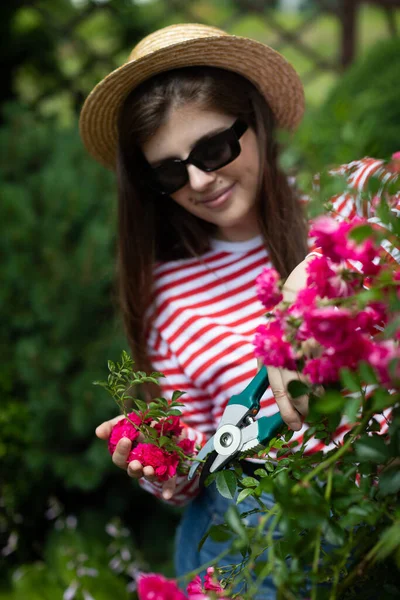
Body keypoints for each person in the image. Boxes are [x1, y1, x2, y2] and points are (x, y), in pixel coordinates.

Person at [79, 23, 390, 598]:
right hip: (274, 540)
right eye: (170, 172)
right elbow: (204, 463)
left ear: (256, 120)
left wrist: (310, 281)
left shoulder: (351, 197)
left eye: (214, 149)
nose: (199, 180)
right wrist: (162, 461)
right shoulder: (167, 297)